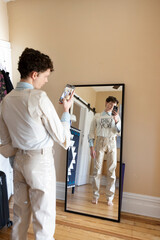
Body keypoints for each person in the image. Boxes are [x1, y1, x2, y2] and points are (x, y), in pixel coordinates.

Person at [0, 48, 73, 240]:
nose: (46, 80)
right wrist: (66, 111)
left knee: (20, 215)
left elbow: (6, 145)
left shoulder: (6, 101)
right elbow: (63, 137)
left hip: (18, 162)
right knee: (44, 217)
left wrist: (19, 151)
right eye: (45, 76)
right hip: (40, 162)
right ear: (34, 74)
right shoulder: (38, 98)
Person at [88, 96, 121, 206]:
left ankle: (109, 197)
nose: (112, 106)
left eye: (114, 105)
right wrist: (91, 147)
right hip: (100, 142)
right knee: (97, 170)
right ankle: (95, 195)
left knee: (111, 171)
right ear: (106, 103)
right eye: (110, 104)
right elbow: (92, 132)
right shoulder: (97, 116)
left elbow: (119, 132)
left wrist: (116, 121)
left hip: (112, 142)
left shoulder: (116, 117)